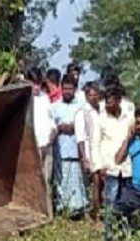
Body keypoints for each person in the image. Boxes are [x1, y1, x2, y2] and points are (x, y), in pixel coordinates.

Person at [93, 86, 133, 241]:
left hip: (128, 168)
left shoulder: (129, 117)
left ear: (118, 101)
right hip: (110, 168)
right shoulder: (101, 119)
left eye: (110, 103)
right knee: (109, 204)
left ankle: (125, 237)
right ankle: (108, 239)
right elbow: (95, 144)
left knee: (126, 204)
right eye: (106, 103)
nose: (107, 106)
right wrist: (99, 166)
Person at [50, 76, 90, 217]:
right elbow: (50, 126)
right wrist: (60, 127)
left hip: (76, 149)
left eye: (70, 89)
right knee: (61, 180)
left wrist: (74, 127)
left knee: (77, 179)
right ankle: (62, 207)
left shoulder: (81, 107)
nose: (67, 91)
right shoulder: (54, 107)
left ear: (75, 89)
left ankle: (79, 208)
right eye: (65, 88)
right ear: (61, 88)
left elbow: (86, 126)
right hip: (60, 148)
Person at [27, 67, 55, 189]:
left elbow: (51, 119)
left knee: (46, 179)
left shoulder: (45, 98)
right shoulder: (25, 99)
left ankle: (47, 207)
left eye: (38, 83)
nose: (36, 86)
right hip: (33, 145)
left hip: (47, 144)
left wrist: (53, 132)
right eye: (34, 83)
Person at [83, 81, 102, 216]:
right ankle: (94, 211)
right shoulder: (83, 112)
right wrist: (85, 157)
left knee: (103, 182)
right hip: (92, 151)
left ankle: (101, 209)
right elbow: (82, 137)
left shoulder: (102, 110)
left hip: (103, 150)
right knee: (95, 183)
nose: (94, 97)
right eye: (91, 95)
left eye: (96, 95)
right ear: (86, 96)